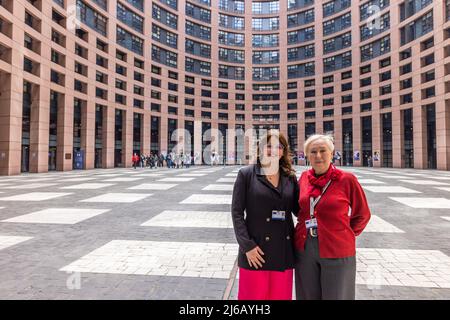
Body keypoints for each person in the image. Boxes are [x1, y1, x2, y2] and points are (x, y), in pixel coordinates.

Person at [294, 134, 371, 300]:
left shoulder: (347, 180)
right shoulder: (304, 179)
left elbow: (363, 214)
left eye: (323, 151)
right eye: (313, 152)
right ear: (307, 155)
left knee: (337, 295)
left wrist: (344, 234)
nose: (318, 156)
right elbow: (299, 209)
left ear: (332, 153)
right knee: (307, 295)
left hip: (337, 248)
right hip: (305, 248)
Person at [231, 131, 299, 300]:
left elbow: (299, 210)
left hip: (283, 251)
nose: (274, 150)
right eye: (269, 146)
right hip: (256, 251)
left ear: (283, 151)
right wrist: (247, 246)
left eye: (279, 146)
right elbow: (237, 213)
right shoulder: (246, 174)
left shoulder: (290, 177)